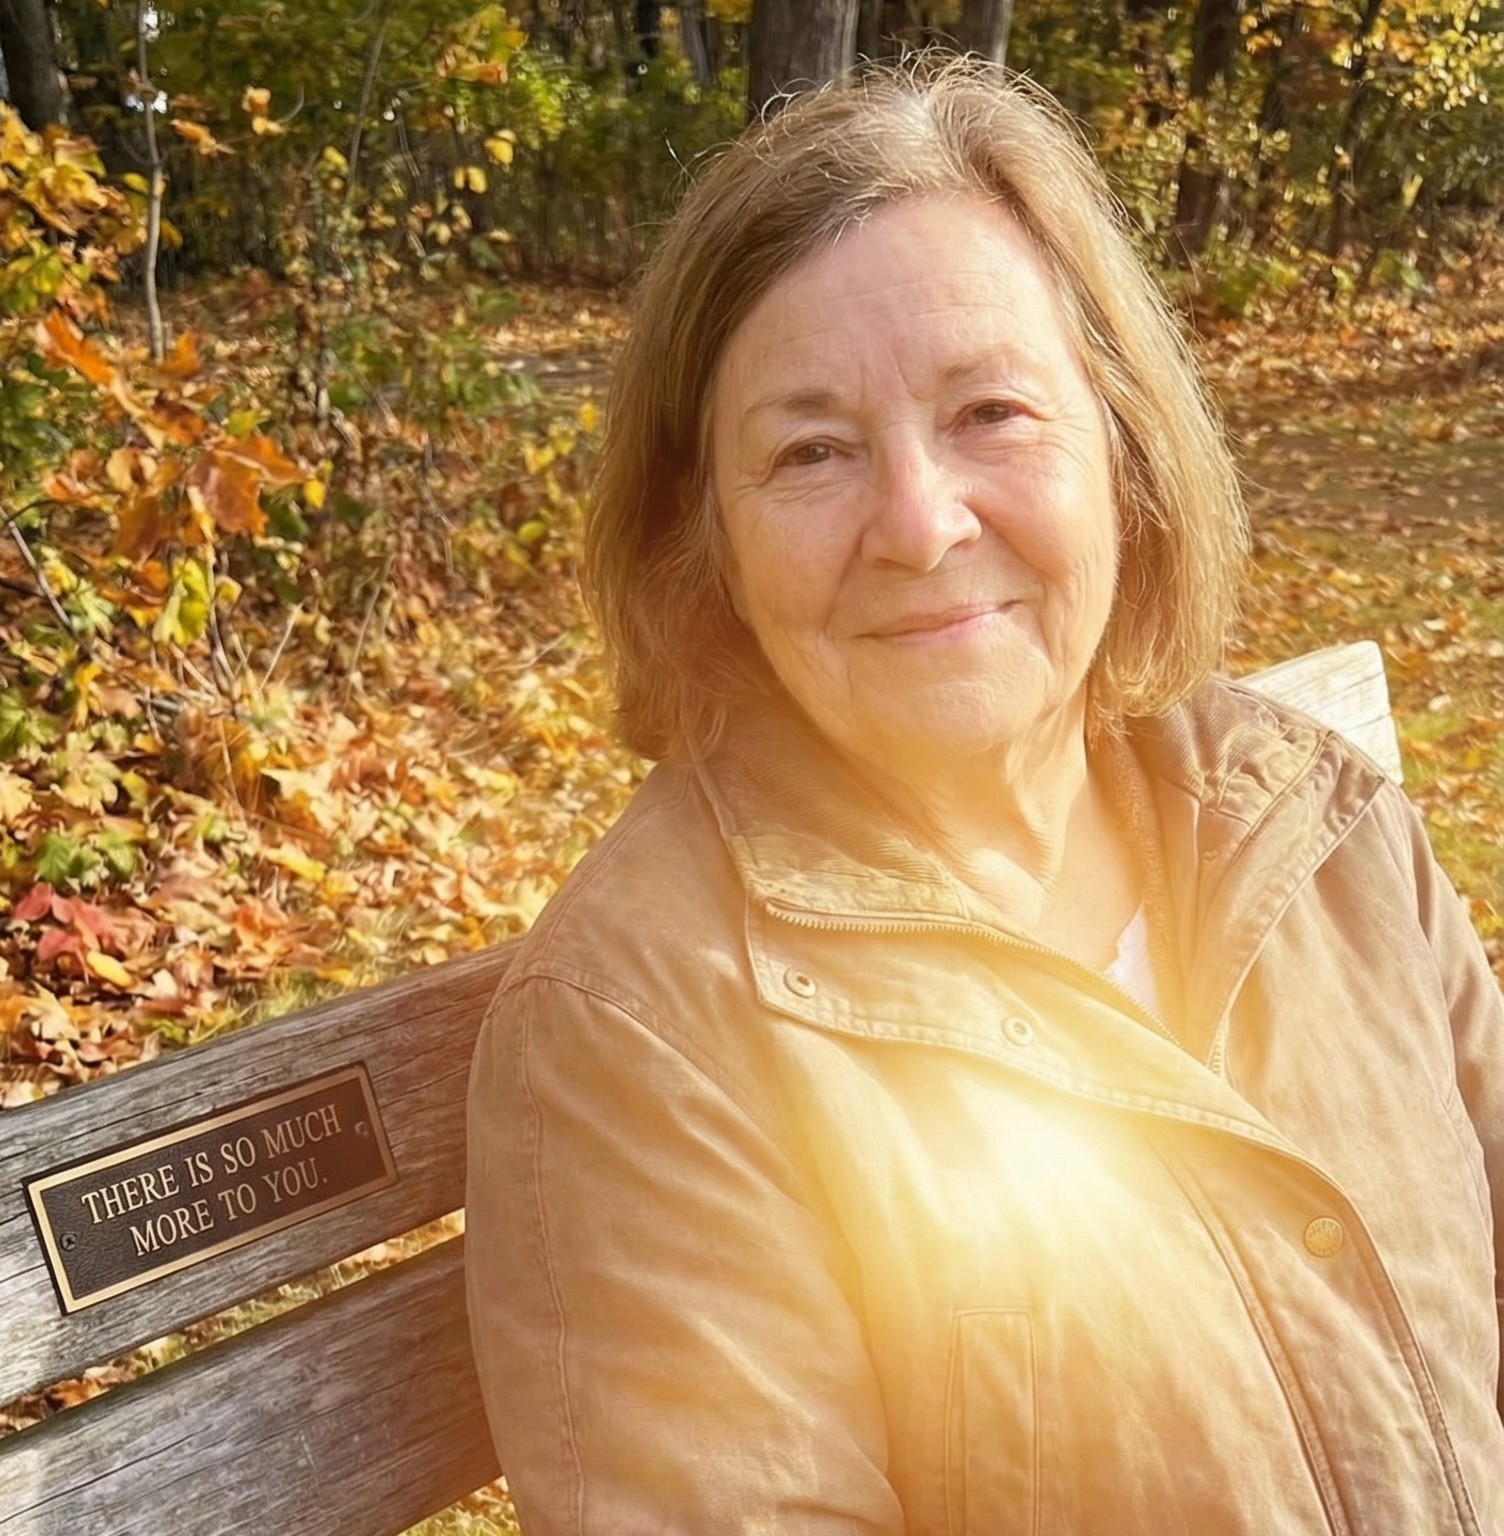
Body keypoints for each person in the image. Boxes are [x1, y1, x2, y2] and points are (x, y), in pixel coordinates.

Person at [465, 58, 1503, 1534]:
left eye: (991, 412)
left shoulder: (1316, 820)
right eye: (811, 451)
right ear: (708, 541)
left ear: (1123, 447)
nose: (920, 522)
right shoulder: (647, 1031)